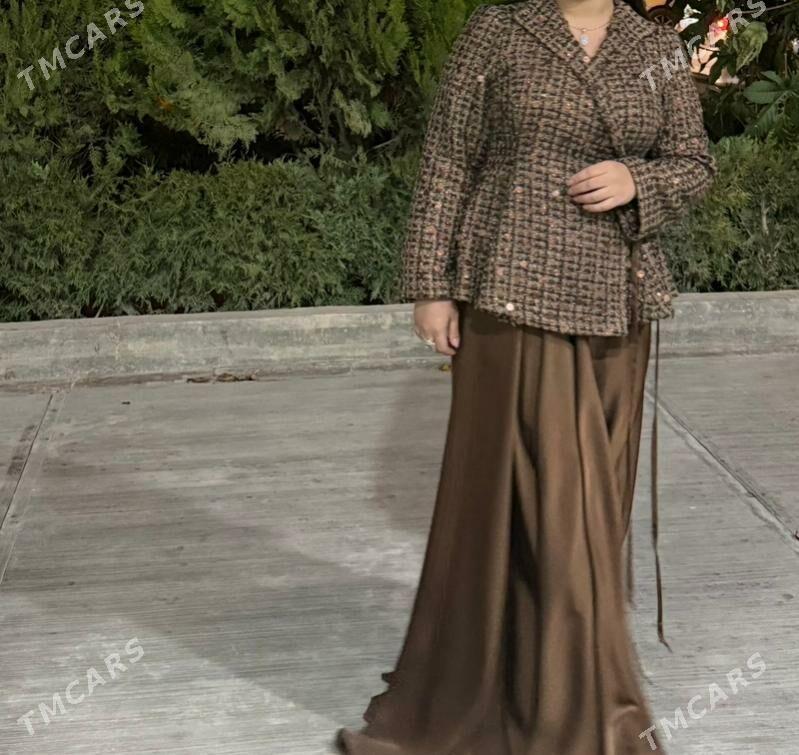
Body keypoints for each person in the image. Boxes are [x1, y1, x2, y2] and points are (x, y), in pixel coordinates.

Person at [336, 0, 715, 751]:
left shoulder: (655, 49)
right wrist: (430, 284)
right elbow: (448, 156)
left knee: (593, 515)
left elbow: (695, 164)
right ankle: (568, 709)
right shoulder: (499, 29)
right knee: (549, 508)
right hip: (510, 295)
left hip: (616, 309)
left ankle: (547, 678)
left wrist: (637, 181)